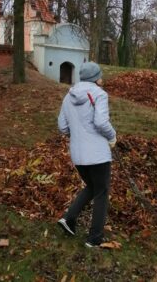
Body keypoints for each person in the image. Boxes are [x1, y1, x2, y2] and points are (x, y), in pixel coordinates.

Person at [57, 61, 116, 248]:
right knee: (101, 192)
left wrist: (78, 133)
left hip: (78, 155)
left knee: (92, 186)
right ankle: (94, 238)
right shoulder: (99, 94)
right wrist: (112, 136)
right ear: (95, 78)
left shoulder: (69, 96)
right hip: (98, 155)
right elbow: (100, 122)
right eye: (100, 75)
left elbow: (62, 126)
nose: (102, 78)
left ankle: (69, 219)